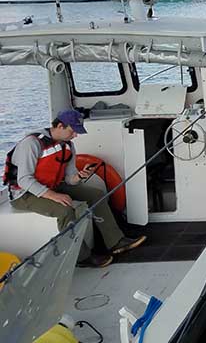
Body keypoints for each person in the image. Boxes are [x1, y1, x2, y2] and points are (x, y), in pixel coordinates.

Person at [3, 109, 146, 268]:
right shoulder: (32, 143)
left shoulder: (68, 145)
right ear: (59, 126)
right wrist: (52, 195)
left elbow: (70, 179)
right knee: (64, 210)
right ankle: (81, 257)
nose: (75, 136)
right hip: (24, 194)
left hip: (52, 186)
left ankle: (115, 241)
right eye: (72, 131)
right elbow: (24, 179)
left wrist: (80, 177)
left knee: (96, 194)